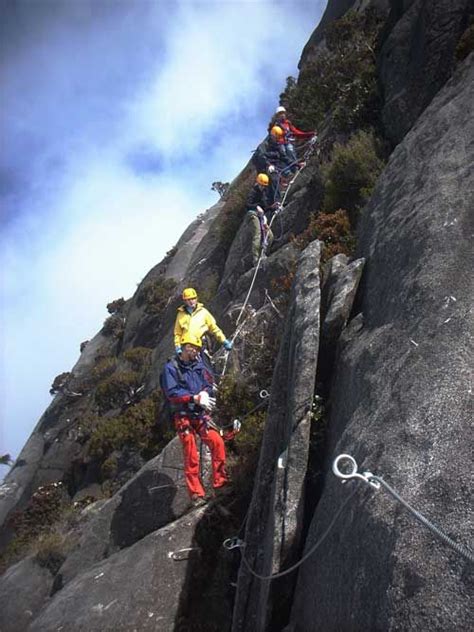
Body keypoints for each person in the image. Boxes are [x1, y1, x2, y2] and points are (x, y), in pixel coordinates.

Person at [160, 333, 229, 503]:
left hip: (199, 414)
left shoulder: (199, 365)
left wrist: (205, 393)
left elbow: (208, 382)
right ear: (184, 347)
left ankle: (220, 483)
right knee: (191, 452)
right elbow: (172, 393)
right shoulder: (171, 368)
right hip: (183, 415)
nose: (195, 351)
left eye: (197, 348)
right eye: (193, 348)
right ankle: (196, 493)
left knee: (217, 442)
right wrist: (193, 398)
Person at [174, 288, 233, 356]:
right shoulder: (181, 314)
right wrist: (177, 346)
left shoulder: (203, 312)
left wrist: (224, 341)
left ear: (196, 299)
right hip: (185, 347)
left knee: (203, 365)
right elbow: (177, 333)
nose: (191, 301)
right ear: (185, 301)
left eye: (193, 298)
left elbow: (214, 328)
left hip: (200, 347)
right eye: (188, 299)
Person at [246, 174, 276, 266]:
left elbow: (264, 207)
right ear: (258, 183)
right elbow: (247, 205)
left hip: (261, 216)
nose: (263, 187)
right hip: (252, 214)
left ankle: (263, 253)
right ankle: (256, 259)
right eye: (262, 185)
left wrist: (272, 207)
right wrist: (257, 207)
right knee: (257, 234)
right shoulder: (253, 192)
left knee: (270, 235)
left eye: (264, 186)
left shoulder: (263, 193)